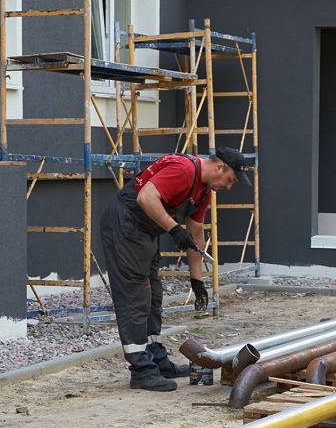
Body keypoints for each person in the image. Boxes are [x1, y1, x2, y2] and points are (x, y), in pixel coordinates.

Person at [100, 147, 251, 391]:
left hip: (145, 232)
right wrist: (173, 229)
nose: (229, 186)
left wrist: (197, 281)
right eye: (231, 179)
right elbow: (146, 198)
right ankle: (142, 370)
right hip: (125, 225)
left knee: (153, 295)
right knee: (135, 296)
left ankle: (156, 359)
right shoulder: (183, 170)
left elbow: (196, 234)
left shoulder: (204, 191)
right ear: (219, 167)